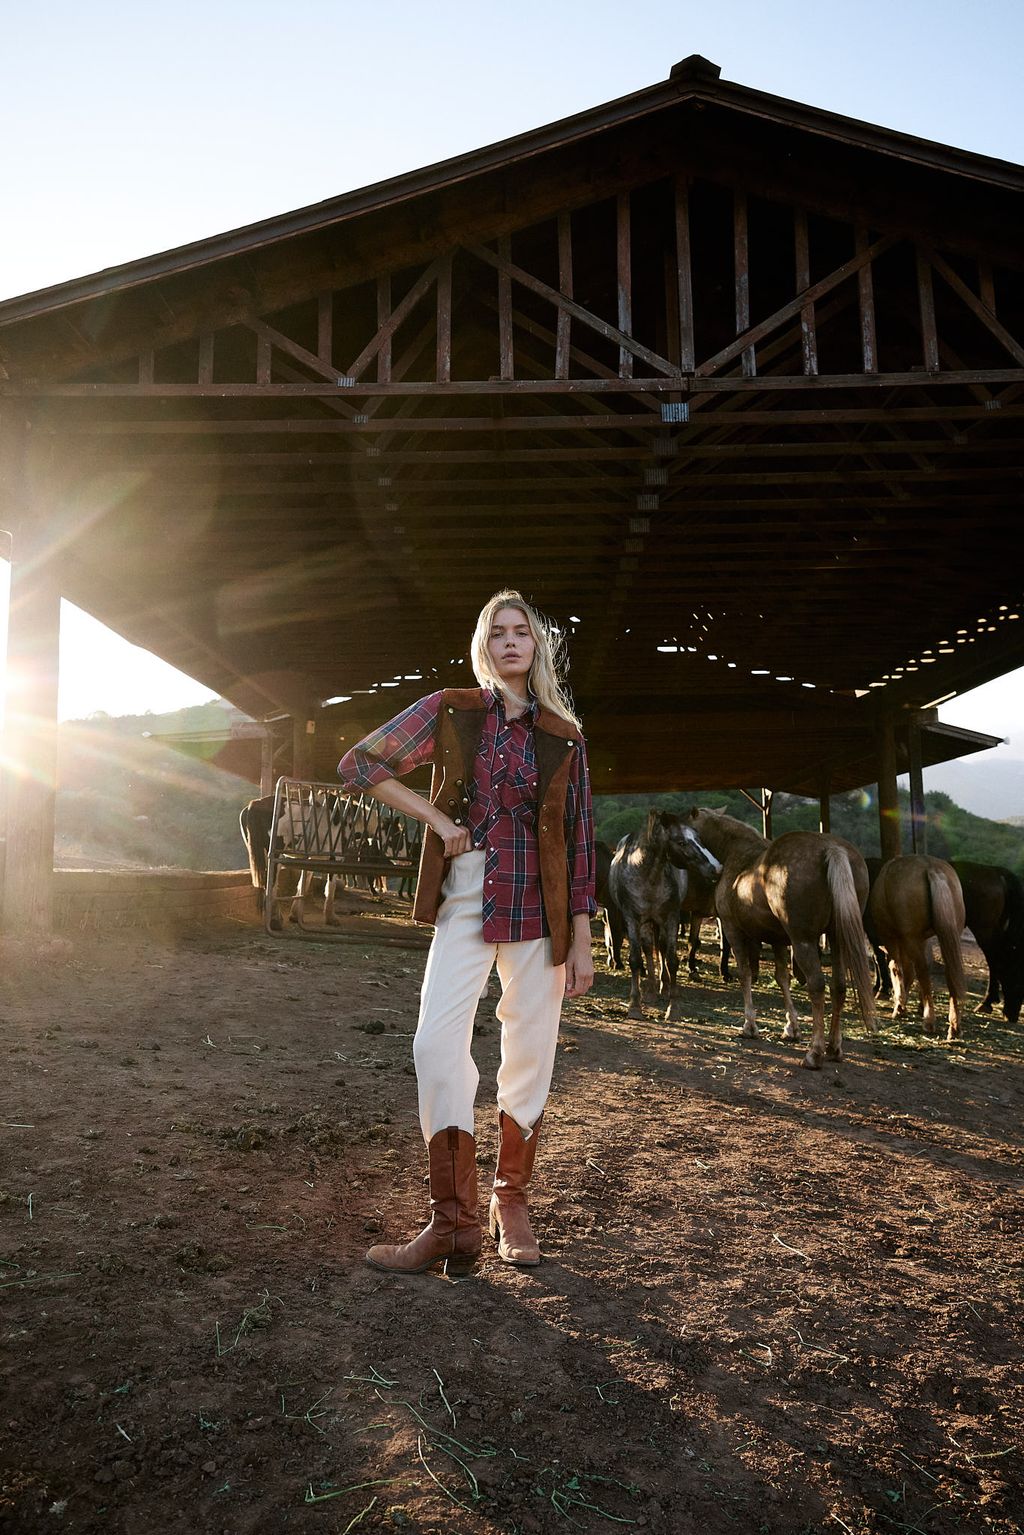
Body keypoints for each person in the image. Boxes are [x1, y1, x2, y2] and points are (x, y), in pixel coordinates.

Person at [336, 589, 596, 1275]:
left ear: (536, 646)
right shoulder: (454, 710)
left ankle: (510, 1201)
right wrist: (439, 821)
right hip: (467, 894)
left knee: (530, 1052)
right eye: (497, 632)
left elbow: (579, 839)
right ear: (484, 645)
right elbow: (361, 764)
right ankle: (450, 1222)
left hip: (540, 905)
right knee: (434, 1043)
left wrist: (583, 937)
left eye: (522, 632)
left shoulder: (565, 735)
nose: (511, 641)